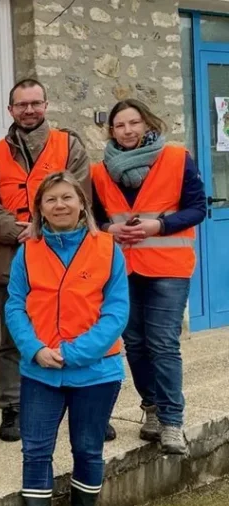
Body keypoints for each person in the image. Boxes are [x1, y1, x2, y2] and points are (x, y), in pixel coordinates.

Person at [0, 171, 128, 506]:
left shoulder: (106, 247)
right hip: (40, 372)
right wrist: (35, 349)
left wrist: (73, 353)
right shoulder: (29, 250)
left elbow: (117, 311)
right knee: (36, 451)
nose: (59, 205)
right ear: (40, 209)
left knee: (87, 448)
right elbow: (15, 304)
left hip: (96, 372)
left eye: (67, 198)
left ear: (82, 203)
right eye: (50, 200)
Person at [0, 78, 95, 443]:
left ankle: (85, 405)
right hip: (12, 258)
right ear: (10, 110)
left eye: (35, 103)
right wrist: (22, 230)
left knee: (75, 326)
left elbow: (79, 196)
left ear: (46, 104)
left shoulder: (69, 146)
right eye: (21, 105)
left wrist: (42, 226)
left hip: (67, 255)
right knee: (13, 338)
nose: (29, 110)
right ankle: (12, 408)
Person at [90, 99, 207, 455]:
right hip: (123, 268)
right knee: (136, 344)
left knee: (162, 344)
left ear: (146, 124)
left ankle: (172, 422)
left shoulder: (175, 158)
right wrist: (110, 228)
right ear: (111, 131)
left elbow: (197, 208)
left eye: (134, 123)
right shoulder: (99, 171)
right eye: (120, 125)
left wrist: (161, 224)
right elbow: (94, 216)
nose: (127, 130)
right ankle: (152, 409)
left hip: (168, 269)